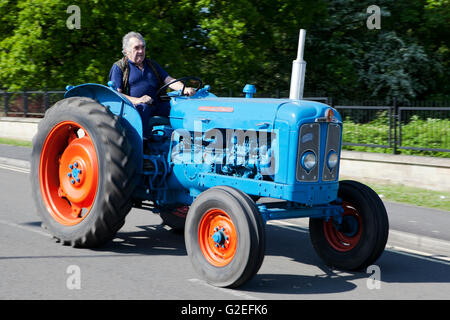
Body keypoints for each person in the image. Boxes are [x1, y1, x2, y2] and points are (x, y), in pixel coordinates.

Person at [109, 31, 196, 137]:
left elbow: (169, 80)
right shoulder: (119, 68)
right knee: (143, 107)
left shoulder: (152, 65)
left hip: (156, 105)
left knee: (178, 108)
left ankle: (188, 140)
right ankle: (144, 144)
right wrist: (138, 100)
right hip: (133, 109)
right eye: (137, 48)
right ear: (126, 51)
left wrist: (184, 88)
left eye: (143, 47)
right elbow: (116, 95)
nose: (141, 51)